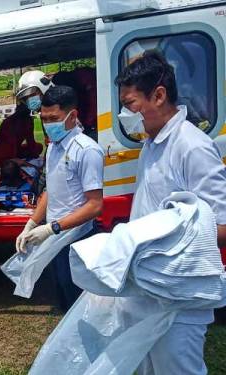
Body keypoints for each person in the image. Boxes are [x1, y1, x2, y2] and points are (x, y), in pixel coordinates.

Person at [115, 50, 226, 375]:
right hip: (150, 290)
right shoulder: (152, 143)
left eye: (131, 104)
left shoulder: (190, 146)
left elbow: (221, 223)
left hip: (179, 298)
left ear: (159, 95)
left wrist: (159, 240)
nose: (126, 114)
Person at [15, 85, 104, 311]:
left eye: (53, 118)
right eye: (44, 119)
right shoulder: (54, 148)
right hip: (56, 236)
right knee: (61, 292)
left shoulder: (86, 150)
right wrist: (32, 223)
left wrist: (52, 228)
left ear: (72, 116)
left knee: (79, 299)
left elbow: (94, 205)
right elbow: (49, 190)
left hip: (77, 236)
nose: (47, 125)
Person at [0, 70, 50, 171]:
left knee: (38, 147)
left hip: (14, 150)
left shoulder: (28, 120)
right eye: (26, 99)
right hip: (3, 154)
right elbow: (9, 148)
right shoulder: (10, 123)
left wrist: (35, 156)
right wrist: (25, 163)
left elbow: (31, 142)